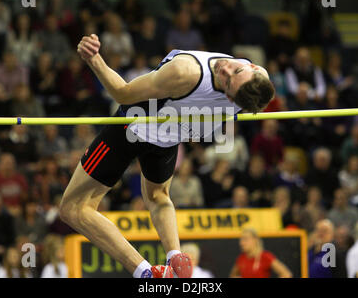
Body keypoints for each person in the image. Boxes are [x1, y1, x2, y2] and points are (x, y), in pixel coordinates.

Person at [60, 34, 275, 278]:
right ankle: (176, 257)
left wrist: (94, 58)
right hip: (170, 138)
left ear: (229, 97)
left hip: (133, 127)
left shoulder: (186, 72)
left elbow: (123, 93)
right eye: (236, 70)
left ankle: (146, 273)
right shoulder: (259, 83)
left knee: (73, 209)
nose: (226, 69)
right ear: (254, 66)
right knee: (158, 195)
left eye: (228, 82)